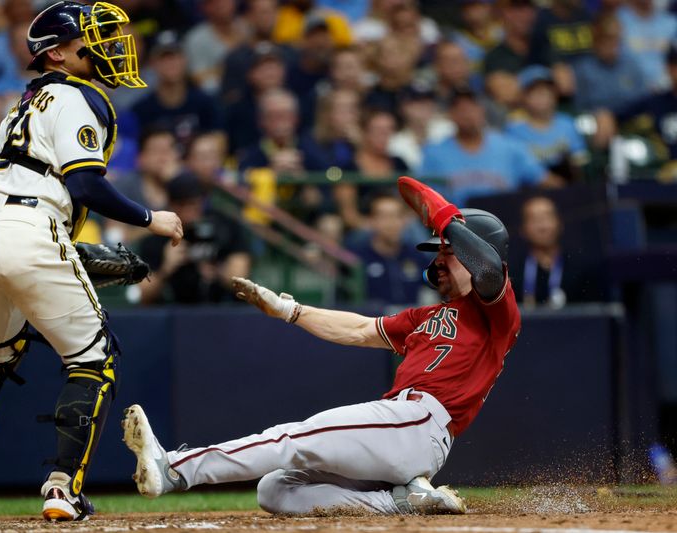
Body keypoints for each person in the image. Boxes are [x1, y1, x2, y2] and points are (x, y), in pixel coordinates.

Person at [0, 1, 183, 522]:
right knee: (94, 360)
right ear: (56, 53)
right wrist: (152, 218)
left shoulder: (27, 101)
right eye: (91, 39)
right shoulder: (79, 95)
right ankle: (64, 487)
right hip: (30, 230)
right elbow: (84, 184)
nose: (105, 46)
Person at [122, 176, 521, 516]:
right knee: (276, 489)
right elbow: (360, 328)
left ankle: (176, 468)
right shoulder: (426, 317)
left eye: (446, 252)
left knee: (290, 440)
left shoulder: (496, 311)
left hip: (419, 422)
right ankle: (400, 502)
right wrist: (290, 310)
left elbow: (485, 265)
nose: (437, 262)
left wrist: (444, 217)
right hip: (401, 427)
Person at [419, 88, 557, 206]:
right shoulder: (434, 153)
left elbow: (545, 180)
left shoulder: (509, 147)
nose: (467, 114)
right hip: (456, 226)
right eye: (460, 109)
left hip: (505, 222)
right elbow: (422, 200)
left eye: (472, 107)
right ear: (451, 114)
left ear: (482, 110)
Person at [136, 171, 251, 304]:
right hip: (175, 313)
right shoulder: (157, 237)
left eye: (194, 204)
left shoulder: (223, 226)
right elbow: (141, 295)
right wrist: (166, 269)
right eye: (182, 205)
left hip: (222, 310)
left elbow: (242, 278)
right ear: (171, 205)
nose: (189, 212)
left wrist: (216, 270)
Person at [508, 195, 604, 306]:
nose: (542, 227)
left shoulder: (582, 270)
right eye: (534, 220)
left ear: (559, 224)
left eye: (547, 218)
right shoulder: (512, 274)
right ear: (523, 229)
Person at [505, 66, 588, 182]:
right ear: (523, 97)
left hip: (568, 186)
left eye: (547, 89)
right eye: (533, 91)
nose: (541, 94)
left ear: (555, 93)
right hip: (530, 191)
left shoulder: (567, 123)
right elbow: (515, 169)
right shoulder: (514, 130)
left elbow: (580, 160)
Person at [348, 190, 428, 306]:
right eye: (384, 217)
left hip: (411, 321)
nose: (392, 223)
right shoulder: (357, 258)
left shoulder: (417, 256)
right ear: (372, 221)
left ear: (405, 220)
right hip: (372, 321)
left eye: (397, 216)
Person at [571, 14, 647, 114]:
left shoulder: (631, 64)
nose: (612, 46)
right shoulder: (583, 69)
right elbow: (579, 109)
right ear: (596, 40)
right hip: (598, 123)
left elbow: (643, 100)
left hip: (631, 121)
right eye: (607, 39)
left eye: (616, 40)